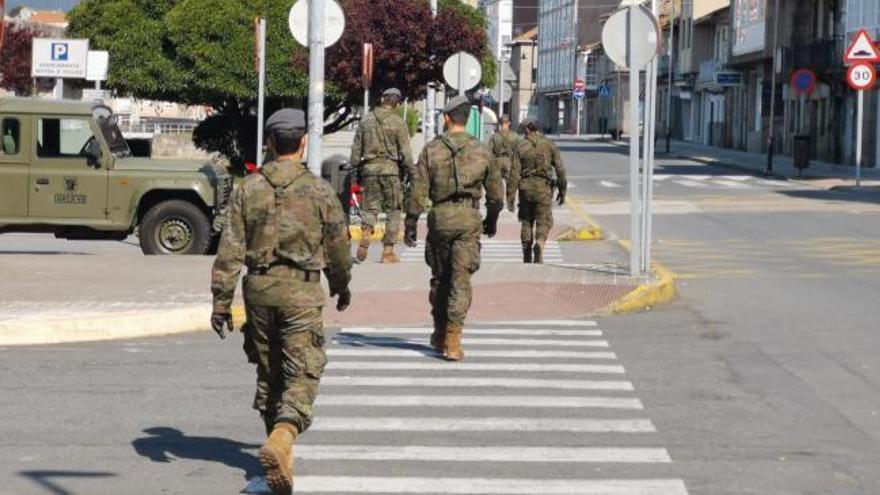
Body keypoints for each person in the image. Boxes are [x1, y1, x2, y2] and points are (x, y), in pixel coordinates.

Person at [210, 108, 353, 495]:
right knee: (302, 373)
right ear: (303, 142)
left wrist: (221, 303)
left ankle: (280, 457)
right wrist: (341, 285)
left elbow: (229, 251)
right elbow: (339, 249)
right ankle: (284, 436)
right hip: (301, 294)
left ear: (270, 143)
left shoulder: (247, 189)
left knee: (269, 373)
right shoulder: (321, 191)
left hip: (257, 291)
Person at [404, 95, 504, 361]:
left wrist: (411, 221)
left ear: (447, 118)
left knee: (440, 279)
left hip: (439, 218)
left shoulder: (431, 149)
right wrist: (491, 220)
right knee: (460, 281)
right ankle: (453, 340)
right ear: (468, 119)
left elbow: (418, 189)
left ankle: (438, 332)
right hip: (468, 220)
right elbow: (496, 195)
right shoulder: (482, 150)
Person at [349, 87, 415, 264]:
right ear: (397, 102)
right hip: (391, 171)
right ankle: (388, 252)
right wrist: (411, 171)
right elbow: (406, 152)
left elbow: (356, 150)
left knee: (370, 208)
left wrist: (354, 168)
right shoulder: (399, 122)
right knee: (393, 210)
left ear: (381, 99)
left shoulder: (366, 120)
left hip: (369, 170)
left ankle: (365, 235)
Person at [508, 118, 567, 264]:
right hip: (543, 189)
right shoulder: (549, 144)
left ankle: (526, 254)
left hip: (525, 189)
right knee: (545, 221)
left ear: (527, 129)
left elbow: (514, 173)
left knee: (526, 221)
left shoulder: (520, 146)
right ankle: (540, 243)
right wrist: (562, 190)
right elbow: (560, 169)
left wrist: (510, 195)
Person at [488, 115, 519, 207]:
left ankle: (498, 202)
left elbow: (489, 151)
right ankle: (510, 203)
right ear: (509, 123)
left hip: (497, 161)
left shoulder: (494, 136)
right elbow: (518, 150)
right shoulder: (515, 136)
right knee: (511, 183)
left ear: (500, 124)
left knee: (497, 184)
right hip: (509, 161)